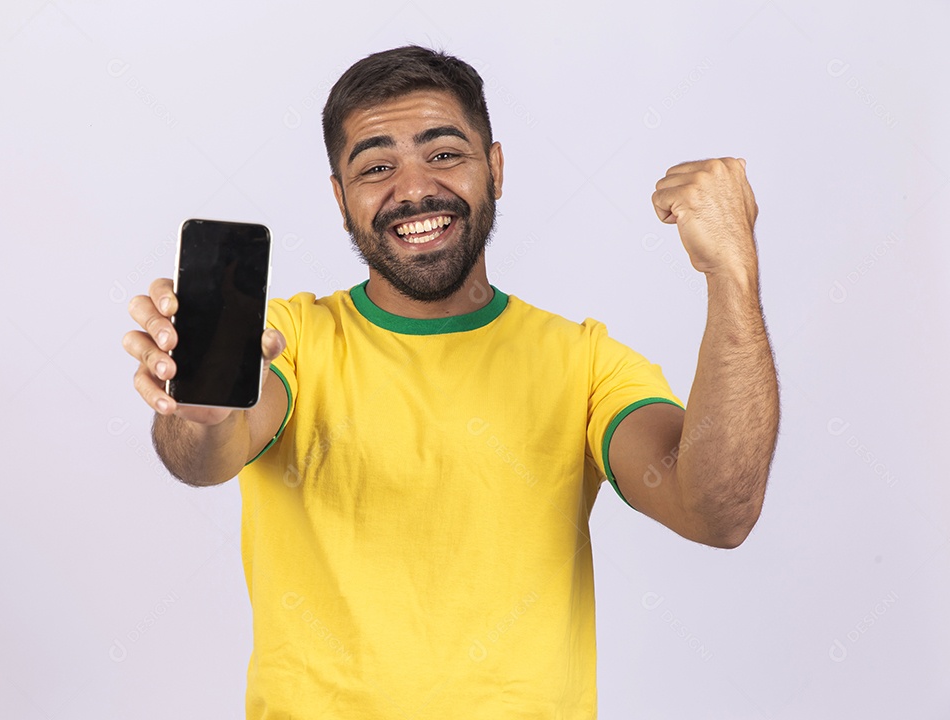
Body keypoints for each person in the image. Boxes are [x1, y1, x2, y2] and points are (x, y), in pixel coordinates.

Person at [122, 45, 779, 719]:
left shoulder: (584, 361)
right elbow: (206, 457)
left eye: (443, 154)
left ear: (494, 168)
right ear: (340, 199)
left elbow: (716, 512)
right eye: (376, 166)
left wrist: (732, 275)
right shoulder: (288, 340)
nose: (412, 189)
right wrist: (199, 408)